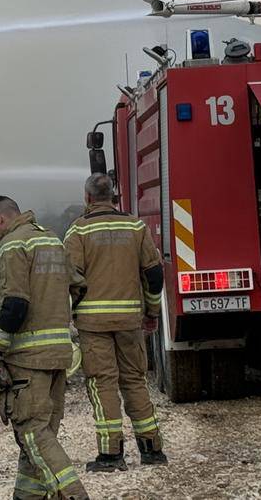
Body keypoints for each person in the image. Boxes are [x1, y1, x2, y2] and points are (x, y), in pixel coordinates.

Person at [0, 195, 91, 500]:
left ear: (0, 220)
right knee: (39, 435)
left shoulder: (12, 246)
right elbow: (78, 288)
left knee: (32, 432)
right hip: (59, 354)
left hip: (28, 358)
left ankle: (73, 494)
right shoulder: (52, 241)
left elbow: (14, 303)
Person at [63, 173, 167, 471]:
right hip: (130, 320)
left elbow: (70, 279)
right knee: (134, 380)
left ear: (87, 199)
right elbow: (154, 274)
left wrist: (71, 315)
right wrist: (152, 311)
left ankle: (111, 454)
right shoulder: (136, 227)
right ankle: (152, 449)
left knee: (102, 383)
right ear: (113, 196)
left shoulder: (77, 232)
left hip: (93, 325)